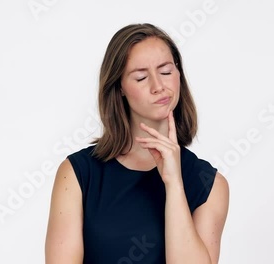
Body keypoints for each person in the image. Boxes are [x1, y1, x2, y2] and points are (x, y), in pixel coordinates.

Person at [45, 23, 229, 264]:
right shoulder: (78, 174)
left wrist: (174, 184)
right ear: (119, 86)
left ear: (178, 75)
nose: (158, 86)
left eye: (165, 71)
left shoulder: (209, 184)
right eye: (141, 77)